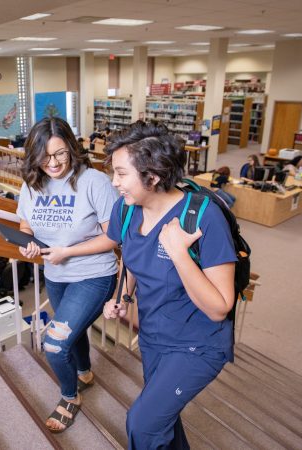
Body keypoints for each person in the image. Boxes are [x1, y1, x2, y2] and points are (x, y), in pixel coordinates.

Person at [100, 122, 236, 449]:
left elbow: (219, 308)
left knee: (142, 425)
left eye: (121, 174)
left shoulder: (203, 217)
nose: (114, 182)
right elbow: (131, 258)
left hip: (198, 345)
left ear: (154, 175)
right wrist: (123, 294)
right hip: (154, 336)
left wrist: (178, 252)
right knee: (163, 421)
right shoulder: (126, 209)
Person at [16, 116, 119, 433]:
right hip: (56, 276)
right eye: (45, 156)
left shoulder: (94, 182)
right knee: (71, 335)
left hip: (94, 276)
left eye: (60, 153)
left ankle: (70, 397)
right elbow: (25, 225)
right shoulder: (32, 185)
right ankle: (85, 372)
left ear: (72, 148)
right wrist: (28, 245)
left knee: (56, 344)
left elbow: (114, 237)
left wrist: (67, 251)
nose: (53, 162)